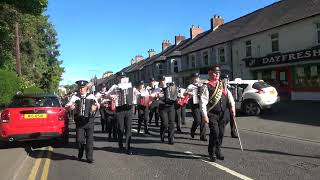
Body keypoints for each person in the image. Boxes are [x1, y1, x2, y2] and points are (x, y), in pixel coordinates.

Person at [200, 66, 235, 162]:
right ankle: (211, 152)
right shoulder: (206, 86)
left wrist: (232, 107)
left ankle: (218, 150)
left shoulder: (222, 84)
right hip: (212, 113)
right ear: (210, 73)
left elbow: (229, 96)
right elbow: (203, 102)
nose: (217, 74)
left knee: (221, 133)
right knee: (215, 132)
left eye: (218, 73)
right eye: (215, 73)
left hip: (223, 113)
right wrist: (204, 115)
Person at [65, 80, 99, 163]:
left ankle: (89, 157)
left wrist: (95, 107)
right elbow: (67, 107)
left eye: (83, 87)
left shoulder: (91, 96)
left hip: (89, 121)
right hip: (80, 122)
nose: (81, 89)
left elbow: (97, 105)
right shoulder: (74, 97)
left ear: (86, 87)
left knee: (90, 140)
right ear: (78, 88)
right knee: (80, 140)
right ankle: (80, 152)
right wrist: (70, 108)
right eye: (80, 88)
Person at [105, 72, 134, 155]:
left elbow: (136, 94)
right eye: (120, 77)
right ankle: (120, 144)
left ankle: (128, 147)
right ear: (117, 78)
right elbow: (106, 95)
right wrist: (111, 96)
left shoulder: (130, 86)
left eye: (123, 77)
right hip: (119, 110)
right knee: (120, 128)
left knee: (128, 129)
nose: (122, 78)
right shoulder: (114, 87)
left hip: (128, 109)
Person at [151, 76, 177, 144]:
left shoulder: (171, 87)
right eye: (161, 80)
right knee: (165, 123)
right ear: (159, 81)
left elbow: (176, 94)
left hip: (171, 106)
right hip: (162, 107)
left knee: (171, 123)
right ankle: (162, 136)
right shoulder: (158, 89)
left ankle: (171, 139)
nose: (163, 82)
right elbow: (152, 96)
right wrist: (157, 95)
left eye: (164, 80)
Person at [186, 73, 207, 141]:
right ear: (192, 79)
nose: (196, 79)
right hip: (194, 104)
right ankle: (193, 130)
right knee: (197, 120)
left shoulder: (202, 85)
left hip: (202, 103)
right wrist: (189, 93)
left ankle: (203, 136)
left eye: (197, 77)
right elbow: (185, 93)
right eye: (195, 78)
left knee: (203, 119)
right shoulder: (190, 86)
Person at [221, 74, 238, 138]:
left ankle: (233, 132)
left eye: (227, 79)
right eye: (225, 79)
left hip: (231, 104)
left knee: (232, 118)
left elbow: (234, 96)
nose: (227, 80)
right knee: (226, 119)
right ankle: (221, 128)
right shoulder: (220, 86)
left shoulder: (231, 87)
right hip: (224, 105)